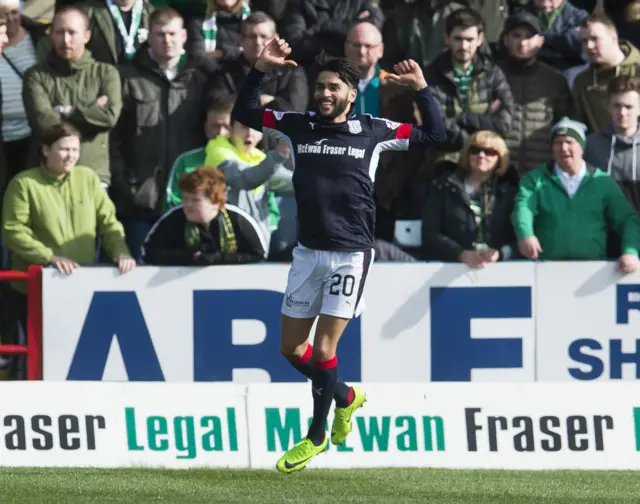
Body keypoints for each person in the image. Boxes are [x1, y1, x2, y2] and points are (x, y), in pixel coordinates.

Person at [232, 36, 446, 472]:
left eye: (334, 87)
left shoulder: (374, 129)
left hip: (350, 254)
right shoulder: (297, 124)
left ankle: (316, 434)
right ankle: (346, 396)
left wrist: (422, 89)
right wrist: (258, 68)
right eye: (320, 87)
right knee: (291, 350)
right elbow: (245, 113)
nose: (325, 93)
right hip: (308, 253)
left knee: (325, 349)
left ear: (352, 92)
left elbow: (435, 134)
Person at [2, 123, 134, 351]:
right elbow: (13, 230)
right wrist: (49, 257)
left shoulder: (89, 179)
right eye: (64, 149)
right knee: (34, 358)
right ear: (45, 150)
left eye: (75, 150)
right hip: (33, 290)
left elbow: (109, 222)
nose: (70, 156)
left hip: (79, 284)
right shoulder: (23, 184)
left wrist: (120, 251)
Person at [512, 117, 640, 271]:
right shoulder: (535, 179)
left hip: (593, 272)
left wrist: (631, 252)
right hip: (546, 271)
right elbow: (523, 207)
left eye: (569, 142)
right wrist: (525, 234)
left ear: (582, 147)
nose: (564, 148)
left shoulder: (602, 181)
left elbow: (627, 219)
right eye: (558, 143)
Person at [22, 7, 122, 187]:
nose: (66, 40)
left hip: (93, 176)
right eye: (59, 32)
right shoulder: (35, 75)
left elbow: (109, 117)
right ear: (51, 35)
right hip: (46, 179)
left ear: (86, 36)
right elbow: (42, 122)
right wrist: (90, 110)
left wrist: (65, 111)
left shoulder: (105, 73)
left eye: (72, 32)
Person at [422, 131, 519, 266]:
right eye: (475, 150)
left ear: (500, 158)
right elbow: (430, 233)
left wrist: (501, 253)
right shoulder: (443, 187)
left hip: (498, 271)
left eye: (489, 152)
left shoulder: (509, 192)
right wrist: (460, 254)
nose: (481, 155)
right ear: (467, 154)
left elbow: (521, 238)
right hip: (449, 270)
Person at [143, 167, 268, 265]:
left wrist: (218, 258)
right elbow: (148, 253)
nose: (187, 205)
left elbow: (259, 255)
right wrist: (188, 257)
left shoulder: (238, 219)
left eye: (196, 200)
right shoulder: (173, 219)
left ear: (216, 203)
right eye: (185, 199)